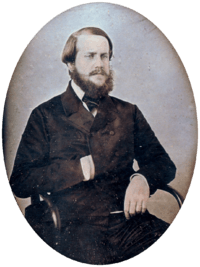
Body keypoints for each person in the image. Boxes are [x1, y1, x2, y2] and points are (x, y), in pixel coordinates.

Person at [10, 27, 176, 265]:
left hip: (129, 225)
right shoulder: (45, 115)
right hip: (72, 229)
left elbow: (163, 164)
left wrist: (143, 179)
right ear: (70, 64)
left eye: (104, 56)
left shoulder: (128, 112)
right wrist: (80, 169)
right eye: (90, 56)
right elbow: (21, 180)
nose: (99, 64)